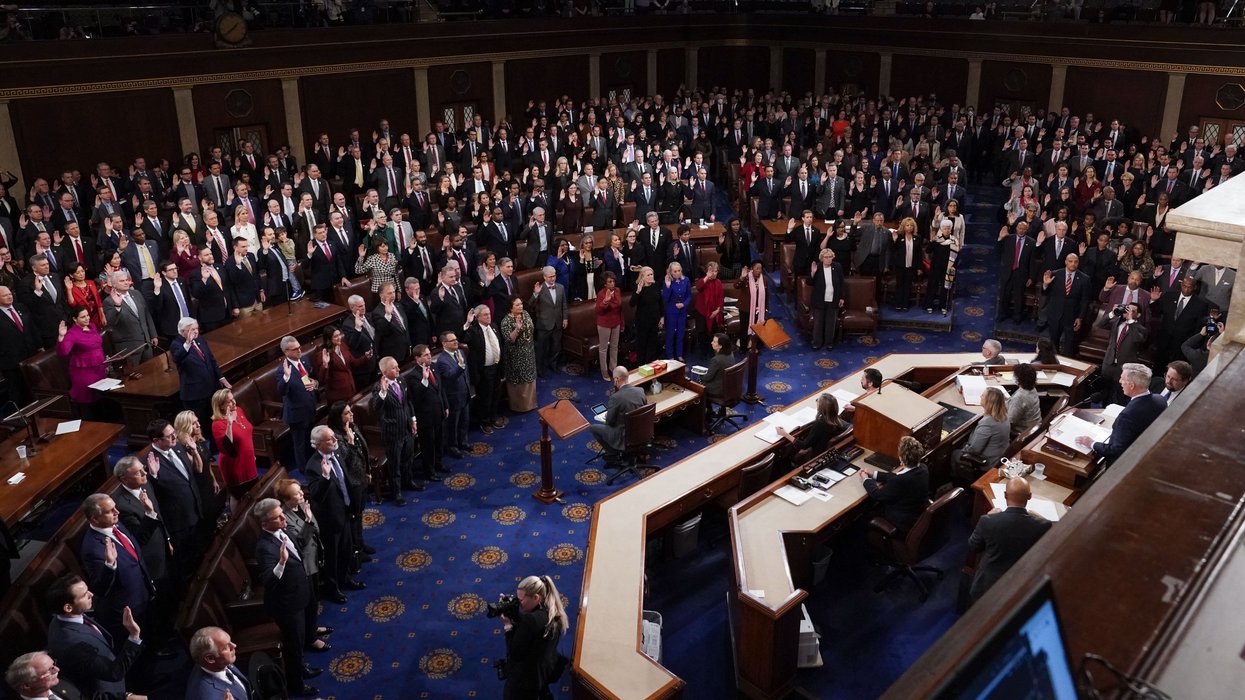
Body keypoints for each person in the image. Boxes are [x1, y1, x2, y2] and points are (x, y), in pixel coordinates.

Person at [250, 498, 321, 698]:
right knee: (293, 646)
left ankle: (302, 668)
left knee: (299, 643)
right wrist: (281, 563)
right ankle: (297, 685)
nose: (284, 518)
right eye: (278, 517)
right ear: (265, 524)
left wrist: (307, 522)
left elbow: (298, 544)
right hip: (287, 606)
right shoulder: (264, 547)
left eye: (282, 513)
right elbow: (267, 580)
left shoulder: (282, 530)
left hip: (299, 593)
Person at [43, 575, 145, 700]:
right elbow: (113, 673)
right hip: (108, 690)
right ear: (68, 607)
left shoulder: (65, 617)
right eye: (85, 595)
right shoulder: (71, 643)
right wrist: (134, 636)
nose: (91, 594)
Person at [78, 493, 154, 643]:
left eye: (115, 508)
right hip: (127, 609)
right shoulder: (93, 548)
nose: (117, 512)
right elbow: (100, 589)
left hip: (142, 595)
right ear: (95, 519)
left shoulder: (115, 525)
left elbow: (135, 553)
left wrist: (150, 514)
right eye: (110, 511)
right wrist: (109, 565)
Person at [967, 477, 1051, 603]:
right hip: (1022, 586)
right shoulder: (1043, 526)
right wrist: (1041, 519)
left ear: (1005, 495)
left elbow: (973, 546)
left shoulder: (988, 521)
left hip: (987, 586)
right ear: (1029, 496)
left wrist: (989, 516)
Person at [305, 425, 363, 605]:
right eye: (330, 438)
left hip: (344, 511)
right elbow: (316, 495)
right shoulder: (313, 466)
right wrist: (325, 477)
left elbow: (345, 479)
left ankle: (345, 578)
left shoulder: (336, 453)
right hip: (330, 519)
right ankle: (333, 588)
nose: (335, 440)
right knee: (332, 556)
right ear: (318, 444)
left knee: (346, 549)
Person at [274, 478, 332, 653]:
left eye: (300, 490)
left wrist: (308, 520)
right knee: (310, 601)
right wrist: (307, 521)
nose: (302, 494)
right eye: (297, 493)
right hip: (304, 566)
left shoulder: (300, 507)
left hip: (313, 558)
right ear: (286, 499)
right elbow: (299, 542)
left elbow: (316, 529)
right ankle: (311, 639)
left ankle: (312, 628)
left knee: (315, 599)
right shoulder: (285, 517)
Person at [145, 418, 205, 576]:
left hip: (195, 510)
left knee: (201, 554)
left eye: (174, 433)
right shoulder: (147, 463)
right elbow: (151, 495)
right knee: (186, 562)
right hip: (178, 522)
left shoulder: (177, 447)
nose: (174, 437)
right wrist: (153, 477)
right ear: (156, 440)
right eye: (169, 435)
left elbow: (191, 476)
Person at [1075, 363, 1167, 465]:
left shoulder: (1127, 415)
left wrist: (1091, 443)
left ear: (1132, 385)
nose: (1120, 382)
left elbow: (1115, 450)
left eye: (1122, 379)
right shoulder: (1160, 400)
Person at [499, 575, 571, 700]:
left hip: (524, 682)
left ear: (536, 597)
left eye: (521, 600)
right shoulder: (554, 614)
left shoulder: (531, 620)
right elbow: (533, 629)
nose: (519, 604)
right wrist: (515, 614)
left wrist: (508, 626)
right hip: (541, 676)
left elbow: (514, 652)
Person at [326, 401, 374, 567]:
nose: (351, 415)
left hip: (361, 477)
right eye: (347, 413)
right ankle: (356, 550)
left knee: (360, 514)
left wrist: (368, 471)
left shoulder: (352, 427)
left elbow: (364, 450)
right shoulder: (336, 437)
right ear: (338, 417)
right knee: (353, 517)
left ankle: (361, 543)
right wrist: (351, 442)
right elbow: (346, 460)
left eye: (350, 412)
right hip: (351, 483)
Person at [171, 317, 230, 439]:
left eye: (197, 328)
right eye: (192, 329)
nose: (196, 332)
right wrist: (187, 343)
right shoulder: (176, 344)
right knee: (200, 427)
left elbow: (211, 360)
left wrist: (221, 377)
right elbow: (177, 358)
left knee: (213, 422)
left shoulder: (200, 340)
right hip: (195, 394)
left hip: (210, 388)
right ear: (183, 332)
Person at [858, 436, 930, 533]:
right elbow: (898, 475)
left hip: (901, 522)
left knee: (864, 516)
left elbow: (877, 495)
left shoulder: (899, 481)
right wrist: (874, 474)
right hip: (916, 514)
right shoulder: (923, 468)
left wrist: (865, 479)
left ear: (901, 458)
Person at [373, 356, 420, 502]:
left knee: (408, 458)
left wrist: (413, 420)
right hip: (393, 432)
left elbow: (407, 402)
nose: (398, 369)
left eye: (397, 366)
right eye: (394, 368)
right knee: (395, 465)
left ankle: (408, 482)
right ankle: (397, 492)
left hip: (406, 427)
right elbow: (376, 407)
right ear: (385, 372)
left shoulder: (401, 380)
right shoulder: (378, 387)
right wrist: (383, 392)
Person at [589, 366, 648, 464]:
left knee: (593, 428)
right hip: (641, 432)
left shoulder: (615, 398)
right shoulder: (640, 391)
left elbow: (609, 422)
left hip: (624, 437)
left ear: (616, 379)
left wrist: (609, 415)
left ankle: (613, 454)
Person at [278, 335, 318, 474]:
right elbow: (282, 390)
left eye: (299, 347)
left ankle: (313, 463)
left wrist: (315, 384)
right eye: (295, 349)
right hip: (296, 414)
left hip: (310, 409)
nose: (299, 351)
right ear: (286, 352)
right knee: (299, 444)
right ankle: (304, 470)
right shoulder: (282, 370)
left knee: (310, 440)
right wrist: (287, 377)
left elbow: (310, 381)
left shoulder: (304, 361)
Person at [55, 310, 106, 418]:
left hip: (99, 369)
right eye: (83, 317)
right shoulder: (72, 333)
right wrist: (61, 337)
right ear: (75, 319)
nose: (87, 318)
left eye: (87, 315)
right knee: (87, 399)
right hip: (83, 372)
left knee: (101, 400)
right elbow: (63, 352)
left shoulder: (92, 327)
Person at [210, 388, 258, 502]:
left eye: (233, 399)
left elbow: (247, 434)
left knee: (253, 492)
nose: (234, 402)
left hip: (249, 460)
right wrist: (229, 424)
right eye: (229, 401)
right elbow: (227, 448)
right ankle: (237, 519)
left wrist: (252, 454)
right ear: (221, 406)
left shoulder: (239, 411)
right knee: (239, 497)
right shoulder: (217, 424)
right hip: (235, 465)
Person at [102, 269, 158, 364]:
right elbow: (111, 323)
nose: (126, 282)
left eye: (126, 280)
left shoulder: (137, 293)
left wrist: (153, 335)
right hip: (129, 350)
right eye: (122, 281)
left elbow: (147, 315)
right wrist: (117, 306)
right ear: (114, 284)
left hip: (147, 344)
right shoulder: (109, 301)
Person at [776, 393, 848, 465]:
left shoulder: (820, 423)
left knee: (788, 456)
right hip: (825, 451)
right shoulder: (838, 420)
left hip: (816, 457)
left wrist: (785, 434)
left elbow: (804, 445)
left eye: (818, 401)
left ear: (821, 408)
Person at [185, 627, 253, 700]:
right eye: (225, 647)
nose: (234, 646)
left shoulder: (214, 663)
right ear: (210, 659)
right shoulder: (209, 696)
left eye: (230, 641)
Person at [953, 388, 1011, 471]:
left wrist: (965, 449)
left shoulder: (988, 423)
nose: (980, 396)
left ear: (989, 401)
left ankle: (959, 482)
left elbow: (974, 450)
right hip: (999, 455)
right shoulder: (1004, 415)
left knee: (955, 454)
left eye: (983, 396)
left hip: (988, 462)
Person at [436, 330, 472, 459]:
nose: (456, 341)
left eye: (456, 339)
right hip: (453, 397)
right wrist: (461, 366)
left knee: (464, 420)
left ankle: (463, 442)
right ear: (444, 344)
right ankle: (453, 447)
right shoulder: (441, 361)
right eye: (452, 340)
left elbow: (465, 374)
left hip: (464, 393)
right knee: (453, 424)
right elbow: (450, 377)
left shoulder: (460, 352)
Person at [314, 325, 368, 405]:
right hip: (337, 396)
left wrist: (365, 357)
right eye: (336, 336)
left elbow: (353, 362)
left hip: (350, 389)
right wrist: (325, 365)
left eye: (339, 335)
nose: (339, 337)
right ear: (329, 339)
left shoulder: (342, 345)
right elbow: (322, 379)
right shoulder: (323, 354)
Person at [502, 295, 538, 412]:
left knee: (529, 377)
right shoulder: (506, 321)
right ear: (510, 307)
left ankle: (531, 404)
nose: (521, 306)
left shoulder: (526, 314)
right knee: (518, 380)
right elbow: (509, 339)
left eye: (521, 304)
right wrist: (517, 329)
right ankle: (519, 407)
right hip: (515, 356)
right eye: (517, 305)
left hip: (528, 352)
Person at [530, 265, 568, 377]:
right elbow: (530, 305)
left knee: (556, 347)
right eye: (550, 277)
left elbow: (564, 305)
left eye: (554, 276)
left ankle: (553, 364)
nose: (552, 279)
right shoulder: (540, 289)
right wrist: (535, 294)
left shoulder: (560, 287)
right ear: (544, 277)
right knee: (542, 349)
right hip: (544, 324)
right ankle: (540, 369)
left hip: (558, 322)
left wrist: (565, 318)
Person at [5, 650, 86, 700]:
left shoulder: (60, 683)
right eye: (49, 670)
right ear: (27, 685)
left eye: (53, 665)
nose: (57, 670)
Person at [809, 248, 845, 350]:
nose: (829, 259)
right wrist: (813, 273)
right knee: (818, 323)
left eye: (830, 257)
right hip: (819, 300)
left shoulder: (837, 267)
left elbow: (842, 283)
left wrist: (842, 298)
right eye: (826, 257)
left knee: (831, 323)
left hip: (833, 299)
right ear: (822, 258)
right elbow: (809, 282)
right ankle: (817, 343)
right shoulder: (817, 267)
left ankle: (829, 343)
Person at [592, 272, 623, 381]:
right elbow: (598, 310)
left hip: (616, 322)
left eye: (613, 281)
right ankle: (604, 371)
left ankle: (613, 367)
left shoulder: (618, 291)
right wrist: (606, 301)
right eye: (610, 282)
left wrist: (621, 323)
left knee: (614, 347)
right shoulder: (601, 294)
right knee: (603, 349)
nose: (612, 283)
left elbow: (620, 308)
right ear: (605, 284)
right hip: (604, 324)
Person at [630, 266, 663, 364]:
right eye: (648, 275)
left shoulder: (656, 285)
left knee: (652, 345)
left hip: (654, 320)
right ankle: (641, 366)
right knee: (642, 346)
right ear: (642, 277)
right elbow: (632, 304)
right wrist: (638, 292)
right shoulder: (638, 288)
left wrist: (662, 317)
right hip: (642, 322)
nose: (651, 276)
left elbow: (660, 302)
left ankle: (651, 367)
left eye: (652, 274)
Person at [693, 261, 725, 359]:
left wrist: (717, 311)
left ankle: (712, 353)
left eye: (715, 271)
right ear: (707, 271)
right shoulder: (703, 280)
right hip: (702, 312)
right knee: (703, 333)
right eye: (712, 271)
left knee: (713, 334)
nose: (714, 273)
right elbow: (698, 287)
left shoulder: (719, 282)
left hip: (714, 313)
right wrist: (707, 277)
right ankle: (703, 353)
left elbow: (721, 298)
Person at [661, 261, 691, 361]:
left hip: (682, 311)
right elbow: (665, 298)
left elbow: (689, 296)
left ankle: (679, 354)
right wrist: (668, 286)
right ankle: (670, 355)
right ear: (671, 272)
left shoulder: (686, 280)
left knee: (681, 333)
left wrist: (684, 304)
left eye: (679, 271)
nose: (677, 273)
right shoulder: (667, 281)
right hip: (671, 311)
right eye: (675, 271)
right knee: (670, 334)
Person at [63, 261, 105, 327]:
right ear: (71, 275)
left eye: (82, 271)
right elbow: (72, 304)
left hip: (96, 316)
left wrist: (102, 316)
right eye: (78, 272)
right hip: (83, 318)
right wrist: (69, 289)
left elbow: (99, 301)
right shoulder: (71, 288)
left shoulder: (91, 283)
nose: (81, 274)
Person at [1007, 363, 1042, 435]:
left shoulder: (1019, 397)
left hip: (1021, 432)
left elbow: (1010, 421)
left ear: (1019, 378)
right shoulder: (1032, 388)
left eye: (1015, 375)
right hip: (1034, 427)